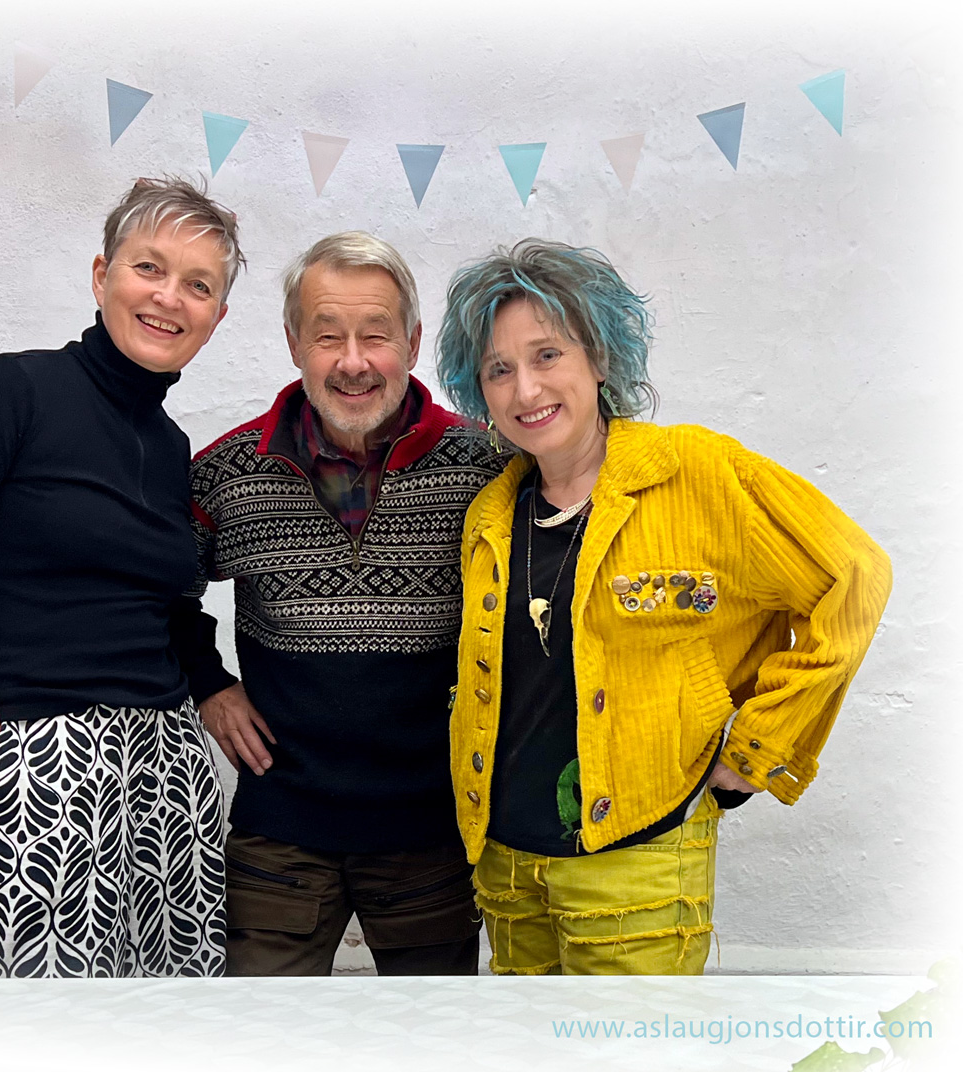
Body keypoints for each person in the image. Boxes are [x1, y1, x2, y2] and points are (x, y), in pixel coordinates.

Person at [435, 239, 892, 975]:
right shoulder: (491, 512)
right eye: (499, 369)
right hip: (507, 868)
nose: (526, 389)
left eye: (548, 355)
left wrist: (757, 751)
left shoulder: (698, 472)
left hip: (640, 859)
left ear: (599, 358)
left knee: (630, 1040)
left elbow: (854, 575)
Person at [0, 177, 245, 978]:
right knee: (38, 1019)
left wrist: (214, 689)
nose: (169, 298)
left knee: (171, 1008)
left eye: (198, 285)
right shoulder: (11, 390)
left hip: (165, 765)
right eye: (149, 268)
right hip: (37, 754)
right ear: (101, 275)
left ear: (217, 318)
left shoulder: (171, 446)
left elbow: (168, 605)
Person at [185, 232, 505, 976]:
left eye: (376, 336)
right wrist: (207, 682)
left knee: (432, 1030)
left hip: (433, 829)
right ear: (294, 343)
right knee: (262, 1029)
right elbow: (155, 592)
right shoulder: (226, 473)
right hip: (282, 828)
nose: (353, 362)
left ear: (413, 343)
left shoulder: (487, 469)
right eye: (328, 336)